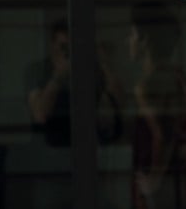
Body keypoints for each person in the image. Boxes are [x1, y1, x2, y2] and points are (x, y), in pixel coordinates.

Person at [128, 2, 186, 209]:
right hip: (177, 175)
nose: (129, 40)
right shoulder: (177, 76)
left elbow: (163, 135)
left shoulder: (146, 85)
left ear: (144, 39)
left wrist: (154, 179)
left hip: (158, 178)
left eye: (132, 34)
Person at [26, 19, 123, 147]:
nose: (68, 53)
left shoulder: (90, 69)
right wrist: (58, 76)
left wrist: (104, 63)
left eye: (73, 47)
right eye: (63, 47)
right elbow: (40, 115)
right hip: (50, 148)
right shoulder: (38, 70)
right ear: (52, 45)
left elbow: (119, 104)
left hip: (88, 146)